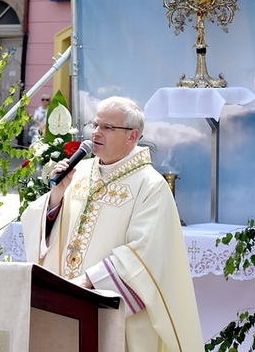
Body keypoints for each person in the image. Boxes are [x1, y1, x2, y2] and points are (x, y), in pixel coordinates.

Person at [21, 96, 203, 351]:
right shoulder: (79, 173)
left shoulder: (150, 186)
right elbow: (43, 225)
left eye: (107, 127)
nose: (96, 133)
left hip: (111, 312)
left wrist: (87, 283)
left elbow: (145, 255)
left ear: (132, 136)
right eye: (95, 125)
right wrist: (56, 197)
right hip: (66, 303)